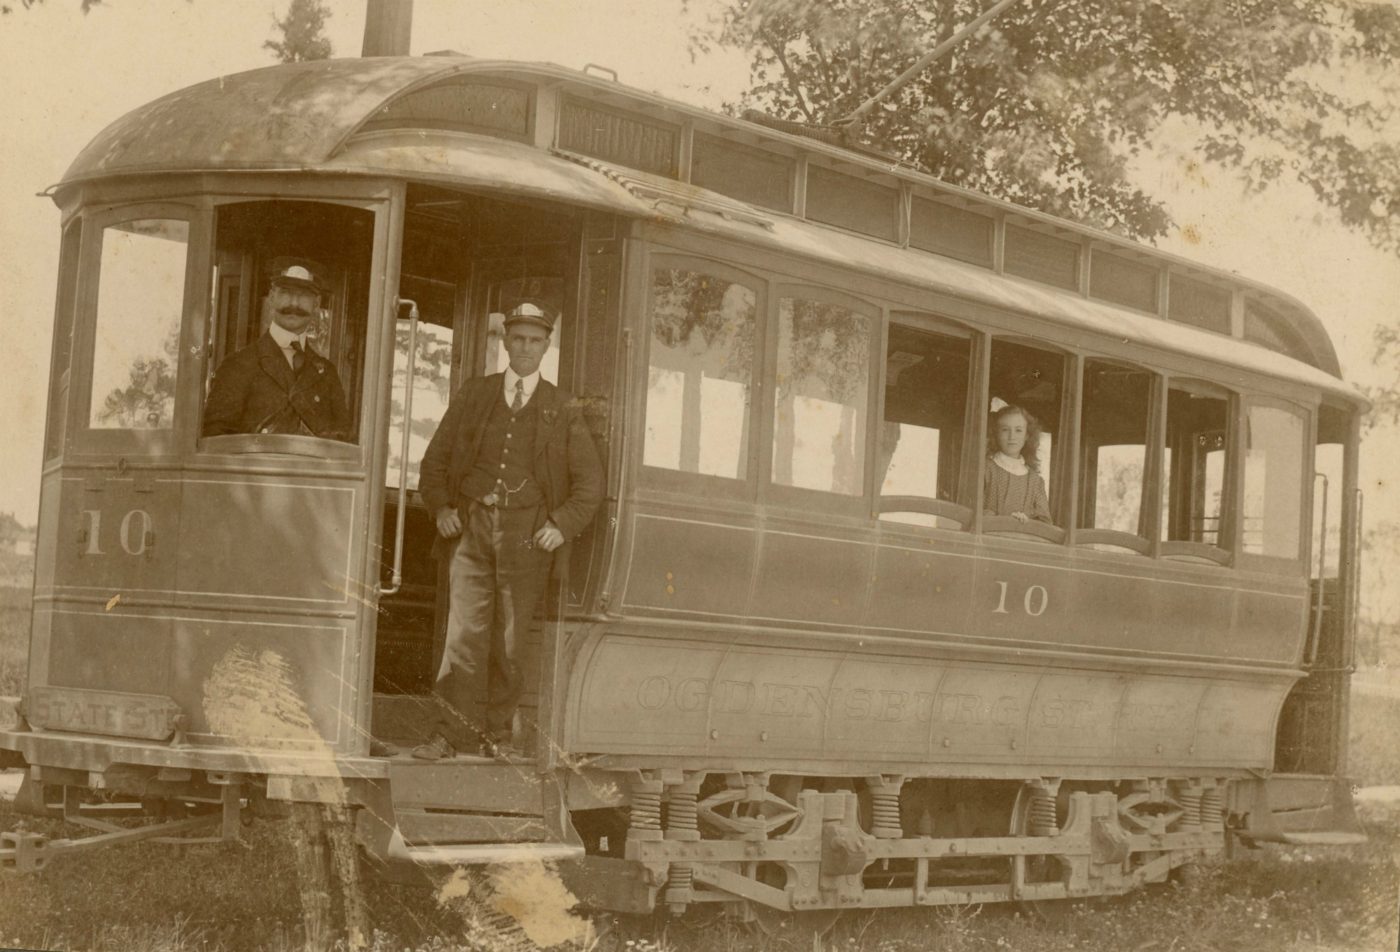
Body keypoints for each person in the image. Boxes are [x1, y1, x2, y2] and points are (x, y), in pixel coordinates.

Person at [414, 302, 604, 760]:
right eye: (516, 339)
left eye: (534, 341)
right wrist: (441, 508)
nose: (524, 348)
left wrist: (560, 526)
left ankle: (497, 737)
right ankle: (448, 736)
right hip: (472, 529)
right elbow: (434, 463)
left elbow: (590, 484)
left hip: (527, 537)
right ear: (504, 343)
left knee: (511, 642)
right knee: (464, 637)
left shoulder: (562, 408)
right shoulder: (475, 394)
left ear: (546, 346)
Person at [201, 264, 351, 440]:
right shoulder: (238, 364)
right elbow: (215, 438)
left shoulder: (327, 374)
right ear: (272, 298)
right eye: (286, 293)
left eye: (303, 295)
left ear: (316, 304)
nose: (294, 303)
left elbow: (342, 441)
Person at [984, 404, 1052, 524]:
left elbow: (1044, 523)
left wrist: (1027, 522)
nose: (1012, 436)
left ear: (1027, 436)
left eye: (1018, 430)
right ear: (996, 434)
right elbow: (970, 511)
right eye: (1005, 430)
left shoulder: (1035, 481)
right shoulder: (984, 469)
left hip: (1023, 541)